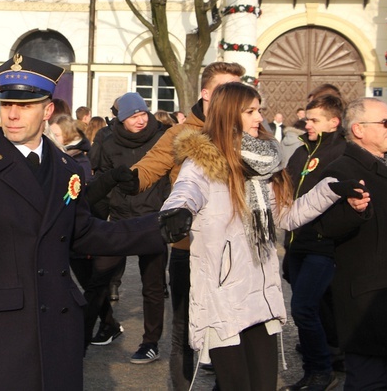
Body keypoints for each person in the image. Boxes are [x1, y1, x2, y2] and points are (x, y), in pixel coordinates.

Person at [0, 53, 167, 390]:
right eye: (6, 103)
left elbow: (84, 233)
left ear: (47, 110)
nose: (11, 114)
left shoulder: (67, 169)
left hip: (58, 320)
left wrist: (158, 227)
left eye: (25, 105)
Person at [159, 81, 368, 391]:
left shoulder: (266, 163)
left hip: (262, 292)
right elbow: (187, 190)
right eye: (250, 111)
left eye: (259, 110)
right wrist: (177, 211)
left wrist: (330, 190)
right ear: (229, 115)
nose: (259, 118)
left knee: (263, 386)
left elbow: (288, 215)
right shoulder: (203, 161)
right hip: (224, 296)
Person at [129, 61, 244, 391]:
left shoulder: (245, 133)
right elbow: (148, 168)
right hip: (189, 249)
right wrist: (124, 179)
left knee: (231, 331)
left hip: (235, 254)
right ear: (207, 94)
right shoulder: (182, 133)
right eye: (225, 91)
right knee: (184, 331)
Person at [314, 97, 387, 391]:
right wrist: (355, 211)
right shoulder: (341, 170)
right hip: (367, 301)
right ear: (358, 129)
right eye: (385, 123)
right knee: (369, 382)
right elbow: (323, 226)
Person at [95, 93, 169, 364]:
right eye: (132, 117)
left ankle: (151, 343)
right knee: (98, 276)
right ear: (121, 119)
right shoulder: (108, 140)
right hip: (121, 219)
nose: (139, 120)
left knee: (153, 286)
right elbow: (102, 178)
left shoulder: (163, 136)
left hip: (153, 219)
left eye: (142, 114)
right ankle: (107, 325)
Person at [282, 93, 346, 391]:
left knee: (303, 308)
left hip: (323, 245)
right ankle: (312, 369)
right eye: (307, 119)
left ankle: (323, 369)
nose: (307, 124)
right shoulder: (300, 152)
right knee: (312, 309)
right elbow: (286, 193)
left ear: (334, 122)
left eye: (314, 120)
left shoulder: (343, 153)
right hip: (297, 244)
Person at [48, 114, 92, 180]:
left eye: (56, 135)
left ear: (68, 135)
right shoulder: (48, 153)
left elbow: (85, 185)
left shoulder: (80, 161)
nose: (51, 138)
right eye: (50, 135)